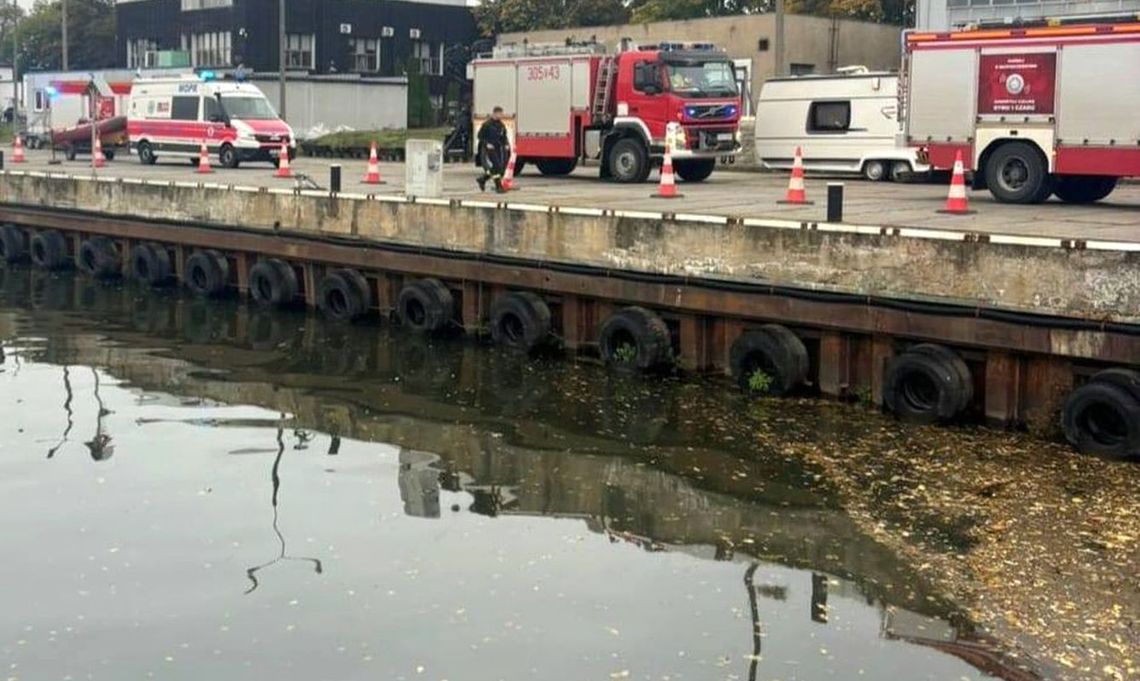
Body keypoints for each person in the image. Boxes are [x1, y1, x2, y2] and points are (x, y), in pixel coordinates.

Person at [476, 106, 510, 193]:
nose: (501, 115)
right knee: (497, 166)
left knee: (498, 167)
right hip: (489, 148)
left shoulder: (501, 125)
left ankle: (482, 179)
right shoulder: (487, 124)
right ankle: (498, 187)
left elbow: (503, 136)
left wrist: (506, 144)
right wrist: (487, 144)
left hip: (497, 148)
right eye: (500, 114)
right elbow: (480, 136)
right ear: (495, 113)